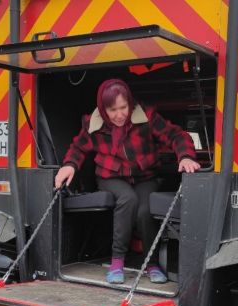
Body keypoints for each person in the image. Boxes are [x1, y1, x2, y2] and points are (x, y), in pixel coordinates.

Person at [55, 79, 200, 284]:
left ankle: (151, 263)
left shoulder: (147, 117)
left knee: (144, 209)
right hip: (110, 177)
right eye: (112, 110)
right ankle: (117, 262)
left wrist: (185, 156)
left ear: (130, 104)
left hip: (145, 177)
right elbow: (78, 148)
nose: (119, 114)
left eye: (124, 107)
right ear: (103, 110)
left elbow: (176, 135)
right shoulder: (93, 124)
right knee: (127, 199)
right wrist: (69, 165)